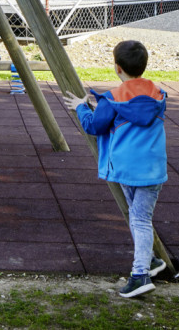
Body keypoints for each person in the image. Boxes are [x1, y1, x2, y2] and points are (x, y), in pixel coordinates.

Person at [61, 40, 169, 299]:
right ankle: (151, 260)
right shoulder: (158, 94)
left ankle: (140, 274)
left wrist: (80, 106)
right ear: (144, 66)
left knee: (140, 219)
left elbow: (94, 126)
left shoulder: (112, 98)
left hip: (126, 168)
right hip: (153, 168)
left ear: (117, 68)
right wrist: (103, 106)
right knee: (138, 215)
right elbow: (134, 110)